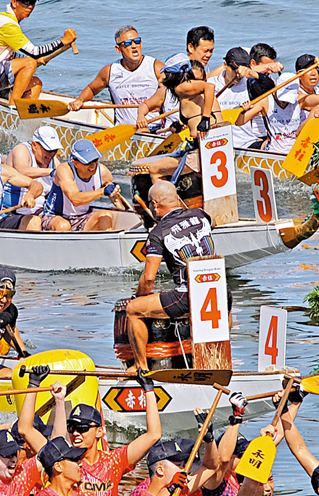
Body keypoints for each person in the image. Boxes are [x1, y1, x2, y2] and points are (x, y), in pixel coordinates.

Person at [124, 180, 213, 372]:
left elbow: (149, 278)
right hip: (220, 293)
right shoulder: (202, 216)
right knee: (223, 301)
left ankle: (140, 365)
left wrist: (140, 295)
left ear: (155, 205)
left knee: (133, 310)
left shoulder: (159, 232)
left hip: (187, 297)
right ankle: (214, 355)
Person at [70, 26, 165, 130]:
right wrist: (80, 100)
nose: (134, 46)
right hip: (123, 131)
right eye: (128, 43)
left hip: (154, 128)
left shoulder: (157, 68)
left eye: (137, 41)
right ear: (118, 49)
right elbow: (92, 89)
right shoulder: (110, 71)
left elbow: (173, 93)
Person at [43, 139, 128, 231]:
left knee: (105, 216)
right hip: (55, 217)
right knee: (63, 226)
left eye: (95, 160)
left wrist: (128, 216)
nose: (93, 166)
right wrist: (103, 191)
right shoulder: (64, 170)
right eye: (87, 162)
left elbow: (116, 200)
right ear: (75, 163)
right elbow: (75, 199)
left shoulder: (103, 172)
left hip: (83, 218)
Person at [0, 126, 59, 231]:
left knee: (61, 225)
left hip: (38, 212)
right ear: (34, 145)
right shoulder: (22, 150)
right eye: (48, 149)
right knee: (34, 223)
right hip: (10, 213)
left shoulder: (53, 160)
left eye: (54, 150)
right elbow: (22, 171)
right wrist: (50, 172)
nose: (51, 154)